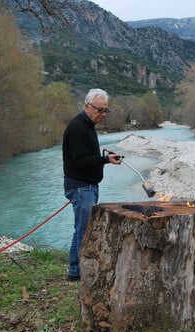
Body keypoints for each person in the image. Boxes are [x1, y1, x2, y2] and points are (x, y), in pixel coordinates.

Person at [62, 88, 122, 282]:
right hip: (81, 188)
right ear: (87, 106)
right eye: (99, 110)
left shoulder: (87, 125)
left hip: (86, 187)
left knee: (81, 229)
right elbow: (80, 161)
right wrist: (104, 160)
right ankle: (85, 277)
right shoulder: (78, 127)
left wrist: (105, 158)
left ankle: (74, 271)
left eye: (106, 110)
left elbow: (87, 156)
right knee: (85, 232)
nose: (103, 114)